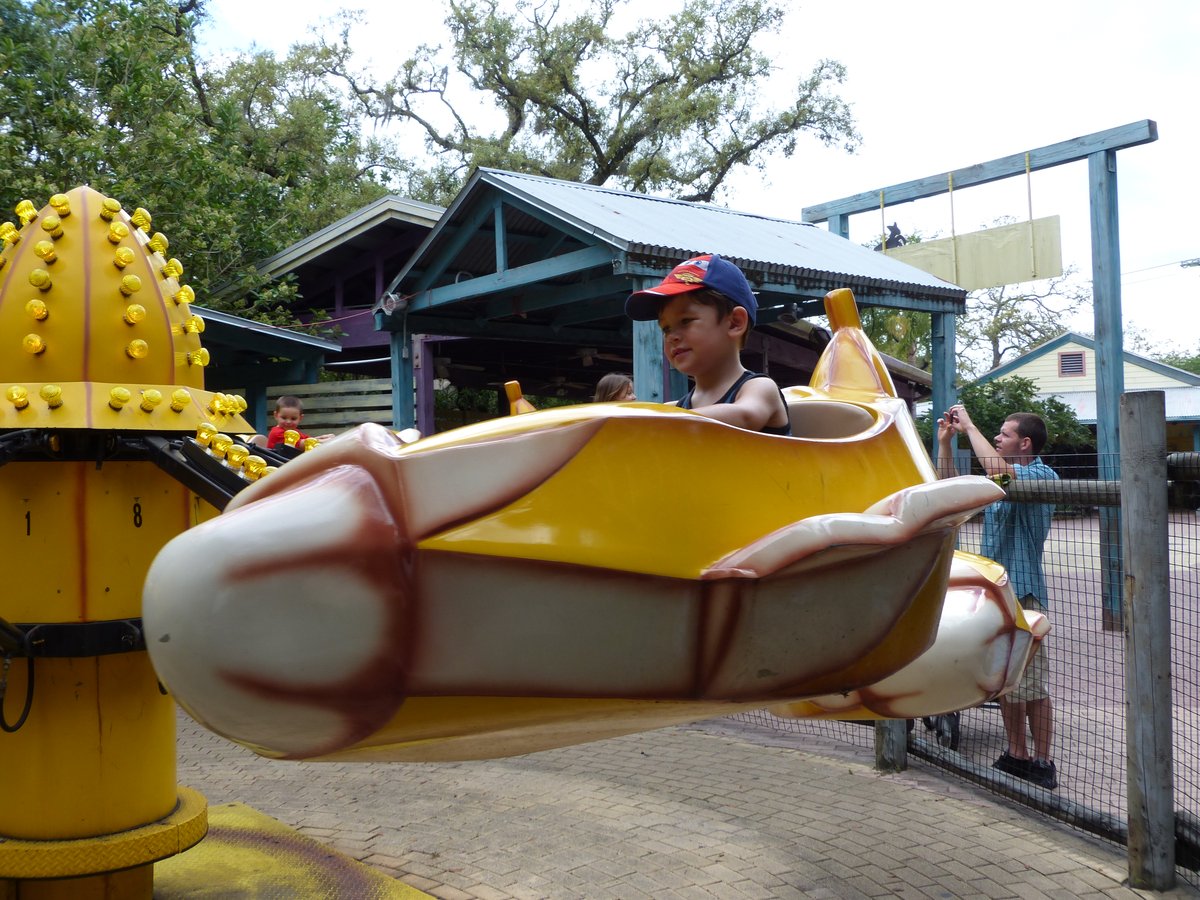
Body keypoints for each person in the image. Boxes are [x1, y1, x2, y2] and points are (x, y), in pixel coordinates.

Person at [937, 404, 1060, 789]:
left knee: (1033, 684)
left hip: (1024, 593)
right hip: (997, 592)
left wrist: (971, 425)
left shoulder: (1040, 475)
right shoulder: (1000, 482)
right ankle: (1016, 754)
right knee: (1005, 680)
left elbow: (998, 472)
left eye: (1003, 434)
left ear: (1024, 443)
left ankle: (1042, 763)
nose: (996, 438)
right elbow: (951, 493)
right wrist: (946, 444)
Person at [624, 254, 790, 435]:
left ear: (735, 323)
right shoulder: (676, 408)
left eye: (686, 321)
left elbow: (746, 416)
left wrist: (657, 423)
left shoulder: (758, 388)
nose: (672, 337)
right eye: (666, 329)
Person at [265, 396, 332, 450]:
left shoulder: (295, 433)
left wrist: (323, 438)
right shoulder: (276, 433)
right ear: (276, 415)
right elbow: (302, 444)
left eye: (293, 418)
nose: (288, 422)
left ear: (300, 418)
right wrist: (325, 442)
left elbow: (309, 440)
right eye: (284, 418)